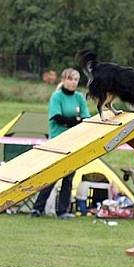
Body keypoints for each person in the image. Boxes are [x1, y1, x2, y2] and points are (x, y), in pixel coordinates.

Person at [31, 68, 90, 219]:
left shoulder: (79, 98)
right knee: (51, 176)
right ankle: (37, 208)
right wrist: (75, 121)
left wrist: (75, 121)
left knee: (69, 177)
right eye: (70, 79)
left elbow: (86, 119)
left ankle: (63, 211)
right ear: (64, 80)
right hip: (58, 141)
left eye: (76, 80)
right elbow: (57, 118)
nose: (73, 82)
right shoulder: (57, 97)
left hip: (74, 142)